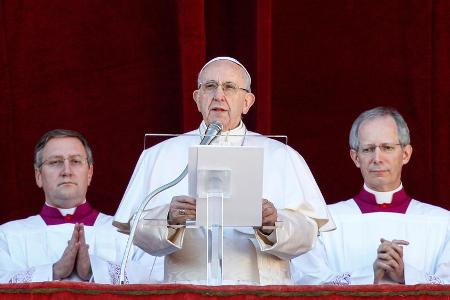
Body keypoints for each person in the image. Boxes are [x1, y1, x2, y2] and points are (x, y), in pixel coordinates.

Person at [113, 56, 334, 285]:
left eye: (229, 87)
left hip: (260, 292)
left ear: (247, 102)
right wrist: (169, 219)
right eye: (210, 86)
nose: (219, 95)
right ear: (197, 98)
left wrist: (272, 223)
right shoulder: (160, 155)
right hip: (186, 292)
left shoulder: (282, 156)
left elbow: (308, 233)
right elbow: (134, 228)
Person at [293, 107, 450, 285]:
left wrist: (406, 274)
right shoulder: (323, 222)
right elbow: (308, 284)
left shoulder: (443, 223)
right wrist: (370, 275)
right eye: (368, 149)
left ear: (405, 154)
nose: (377, 158)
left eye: (387, 148)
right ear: (356, 157)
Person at [0, 129, 161, 283]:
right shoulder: (8, 236)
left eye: (75, 161)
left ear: (89, 173)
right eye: (55, 162)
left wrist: (93, 269)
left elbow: (157, 281)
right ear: (38, 175)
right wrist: (54, 271)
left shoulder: (128, 233)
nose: (66, 171)